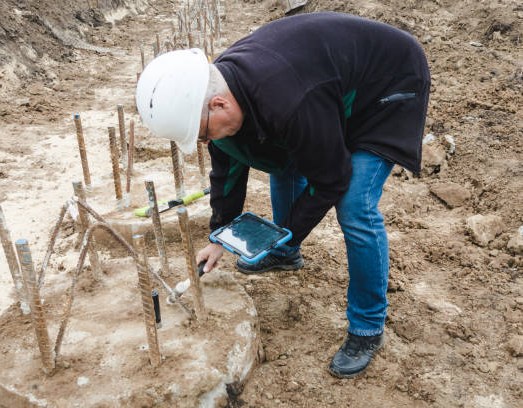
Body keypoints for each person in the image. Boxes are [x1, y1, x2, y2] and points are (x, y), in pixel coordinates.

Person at [136, 12, 430, 379]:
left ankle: (367, 327)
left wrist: (279, 233)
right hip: (326, 88)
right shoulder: (219, 91)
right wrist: (219, 235)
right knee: (284, 158)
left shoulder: (288, 101)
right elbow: (227, 168)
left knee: (355, 204)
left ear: (219, 106)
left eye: (202, 134)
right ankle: (286, 256)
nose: (206, 142)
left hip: (386, 85)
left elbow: (331, 179)